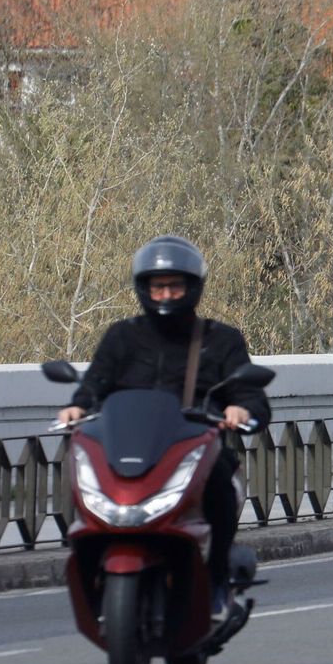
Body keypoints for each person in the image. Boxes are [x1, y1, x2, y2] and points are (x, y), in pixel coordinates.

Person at [56, 235, 270, 614]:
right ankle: (86, 561)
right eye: (158, 287)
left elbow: (250, 395)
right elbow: (93, 387)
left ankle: (216, 578)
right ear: (144, 289)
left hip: (195, 445)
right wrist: (76, 408)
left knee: (220, 483)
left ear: (193, 288)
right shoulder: (122, 337)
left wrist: (240, 409)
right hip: (128, 449)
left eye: (175, 286)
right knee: (78, 466)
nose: (167, 295)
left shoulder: (220, 340)